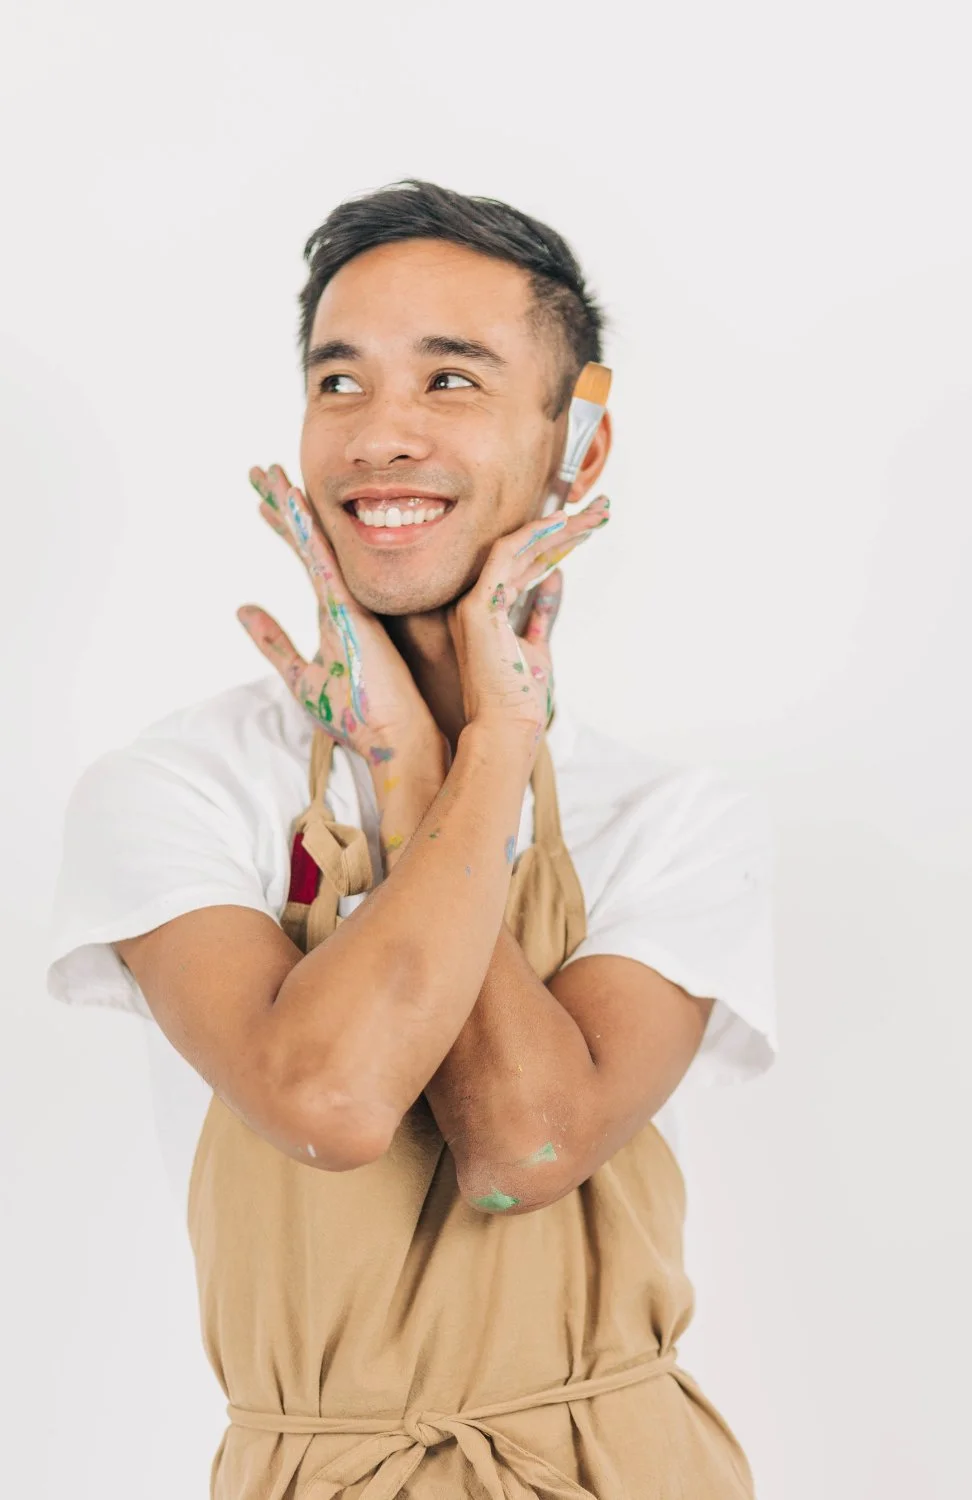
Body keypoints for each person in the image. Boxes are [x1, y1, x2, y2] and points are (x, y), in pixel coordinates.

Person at [45, 178, 777, 1498]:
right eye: (341, 383)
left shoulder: (672, 822)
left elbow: (529, 1148)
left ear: (578, 450)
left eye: (452, 382)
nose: (382, 435)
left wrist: (448, 766)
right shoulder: (177, 791)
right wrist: (448, 769)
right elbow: (327, 1100)